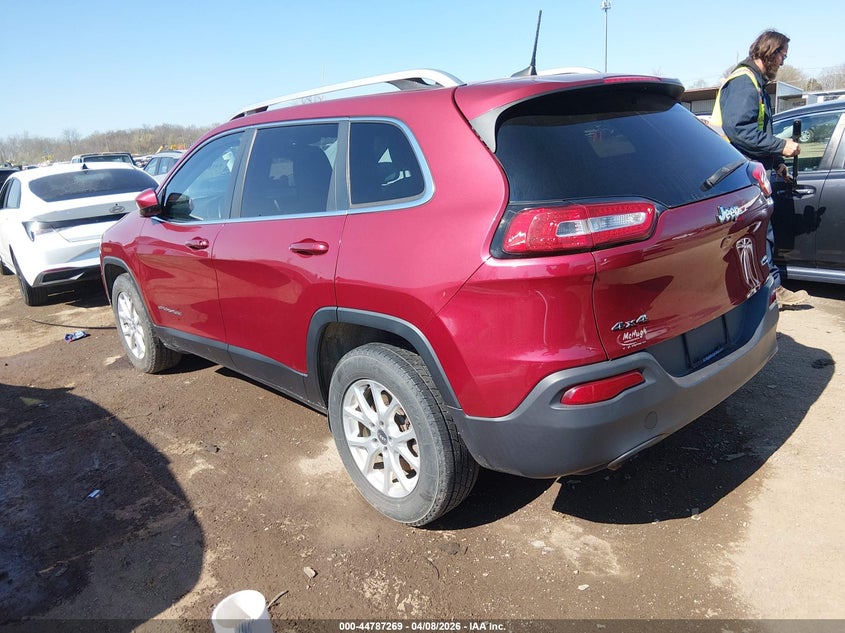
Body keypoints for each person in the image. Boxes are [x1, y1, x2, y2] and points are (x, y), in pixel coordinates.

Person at [711, 29, 810, 309]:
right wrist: (781, 145)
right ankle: (771, 290)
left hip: (750, 169)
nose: (783, 61)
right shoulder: (744, 82)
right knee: (759, 232)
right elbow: (739, 131)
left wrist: (777, 163)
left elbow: (757, 132)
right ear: (768, 51)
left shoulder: (755, 83)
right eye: (781, 55)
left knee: (758, 232)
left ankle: (765, 290)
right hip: (739, 172)